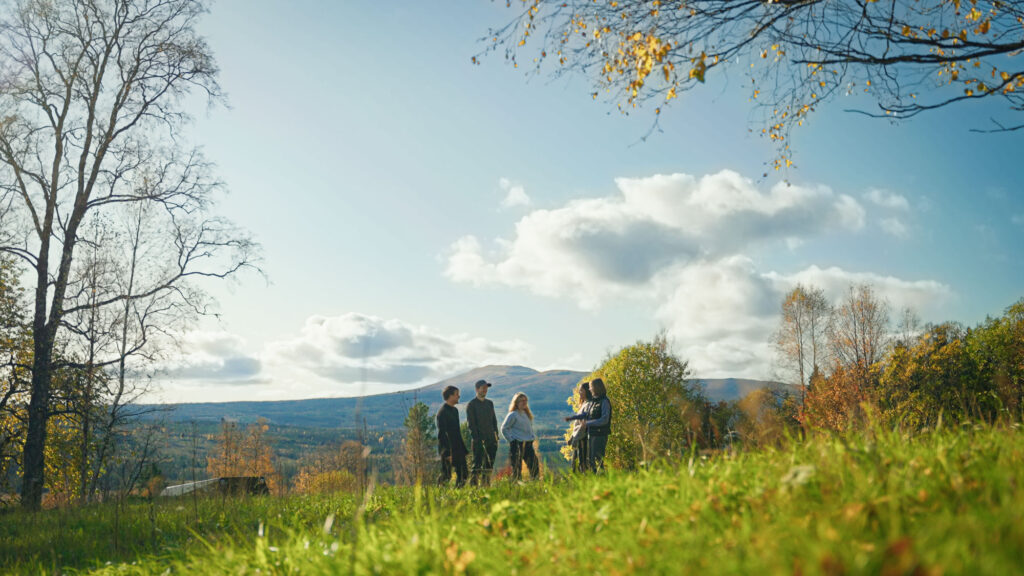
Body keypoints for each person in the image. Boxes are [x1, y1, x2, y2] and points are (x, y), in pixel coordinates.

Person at [466, 379, 499, 486]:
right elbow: (471, 425)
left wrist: (496, 436)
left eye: (486, 388)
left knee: (489, 465)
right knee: (477, 466)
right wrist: (477, 439)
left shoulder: (490, 403)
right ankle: (473, 488)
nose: (485, 390)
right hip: (478, 441)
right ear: (477, 389)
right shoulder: (471, 404)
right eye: (483, 388)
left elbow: (494, 421)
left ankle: (485, 486)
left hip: (491, 440)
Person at [500, 392, 539, 481]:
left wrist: (532, 437)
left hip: (528, 444)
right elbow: (504, 428)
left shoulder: (527, 414)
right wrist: (512, 440)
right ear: (516, 403)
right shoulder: (513, 414)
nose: (524, 402)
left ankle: (535, 485)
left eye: (525, 400)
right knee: (517, 469)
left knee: (534, 466)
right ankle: (516, 488)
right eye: (521, 401)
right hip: (517, 444)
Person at [436, 385, 468, 487]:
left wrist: (464, 450)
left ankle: (458, 495)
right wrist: (446, 453)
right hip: (448, 448)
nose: (459, 396)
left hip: (458, 448)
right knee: (446, 476)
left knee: (464, 474)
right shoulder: (442, 412)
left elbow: (457, 432)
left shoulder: (455, 411)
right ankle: (439, 494)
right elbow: (442, 434)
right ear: (450, 396)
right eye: (456, 394)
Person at [580, 377, 612, 472]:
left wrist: (588, 423)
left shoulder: (604, 401)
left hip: (600, 434)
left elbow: (604, 419)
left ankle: (600, 480)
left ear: (596, 388)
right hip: (592, 434)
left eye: (590, 387)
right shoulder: (594, 401)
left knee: (598, 460)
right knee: (591, 460)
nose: (589, 389)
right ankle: (594, 480)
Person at [564, 381, 594, 473]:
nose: (579, 392)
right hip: (578, 437)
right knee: (577, 463)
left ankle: (585, 482)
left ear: (587, 391)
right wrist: (572, 436)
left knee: (583, 462)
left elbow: (583, 425)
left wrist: (575, 438)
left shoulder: (588, 404)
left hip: (582, 438)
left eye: (581, 390)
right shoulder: (584, 404)